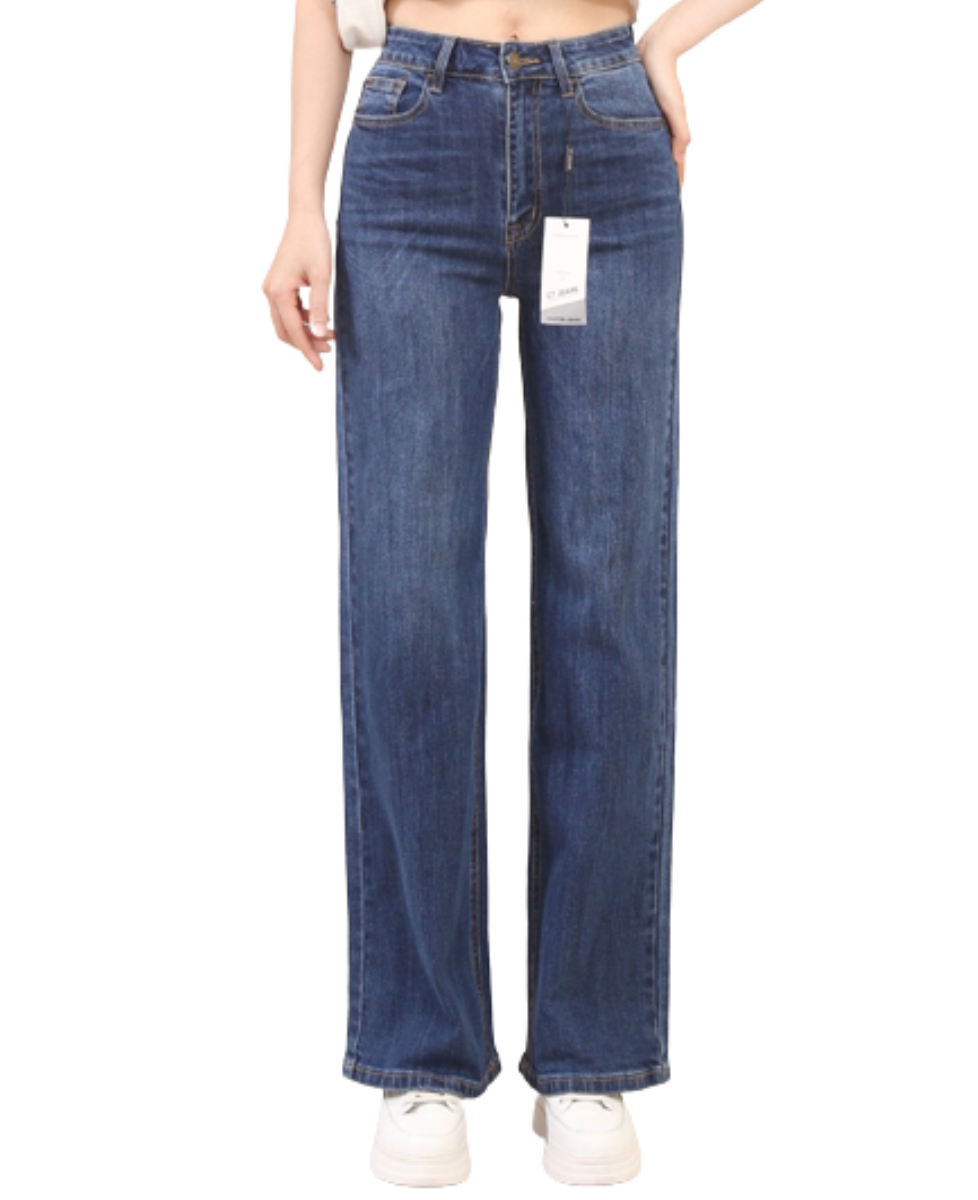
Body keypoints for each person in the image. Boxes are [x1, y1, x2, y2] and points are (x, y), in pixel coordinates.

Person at [260, 0, 764, 1187]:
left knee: (610, 597)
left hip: (603, 139)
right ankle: (420, 1054)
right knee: (407, 607)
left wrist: (663, 42)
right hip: (411, 133)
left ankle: (591, 1055)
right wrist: (299, 205)